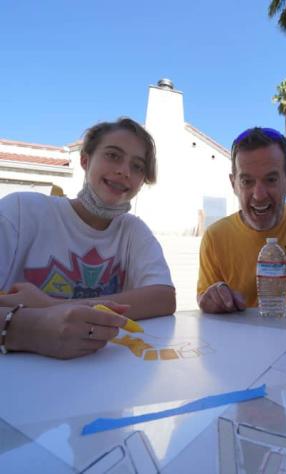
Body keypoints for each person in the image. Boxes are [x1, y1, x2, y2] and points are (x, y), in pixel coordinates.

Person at [0, 117, 176, 358]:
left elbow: (163, 298)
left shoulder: (133, 230)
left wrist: (49, 306)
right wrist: (31, 327)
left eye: (137, 166)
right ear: (85, 160)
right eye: (113, 155)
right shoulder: (20, 211)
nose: (124, 171)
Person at [197, 127, 286, 314]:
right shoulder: (215, 237)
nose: (259, 195)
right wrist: (212, 299)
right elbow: (204, 297)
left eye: (271, 179)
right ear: (234, 184)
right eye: (247, 181)